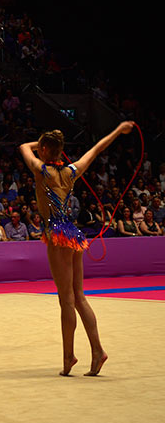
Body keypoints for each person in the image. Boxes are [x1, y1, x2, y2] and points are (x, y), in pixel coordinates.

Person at [19, 121, 134, 376]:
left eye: (41, 147)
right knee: (79, 296)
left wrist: (40, 146)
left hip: (57, 237)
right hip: (73, 234)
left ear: (45, 149)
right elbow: (96, 149)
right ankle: (96, 351)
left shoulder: (41, 170)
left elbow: (22, 147)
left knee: (66, 300)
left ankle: (69, 357)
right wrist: (117, 130)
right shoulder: (71, 171)